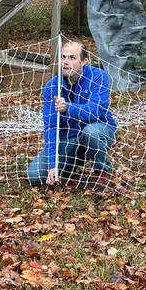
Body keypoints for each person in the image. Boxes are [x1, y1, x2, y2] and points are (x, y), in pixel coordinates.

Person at [27, 40, 118, 190]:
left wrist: (68, 108)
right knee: (34, 176)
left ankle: (101, 171)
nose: (65, 62)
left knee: (92, 133)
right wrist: (52, 165)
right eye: (63, 57)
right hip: (69, 139)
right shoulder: (52, 87)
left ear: (84, 61)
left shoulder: (99, 77)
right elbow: (50, 127)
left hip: (98, 130)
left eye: (72, 58)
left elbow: (96, 112)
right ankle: (72, 167)